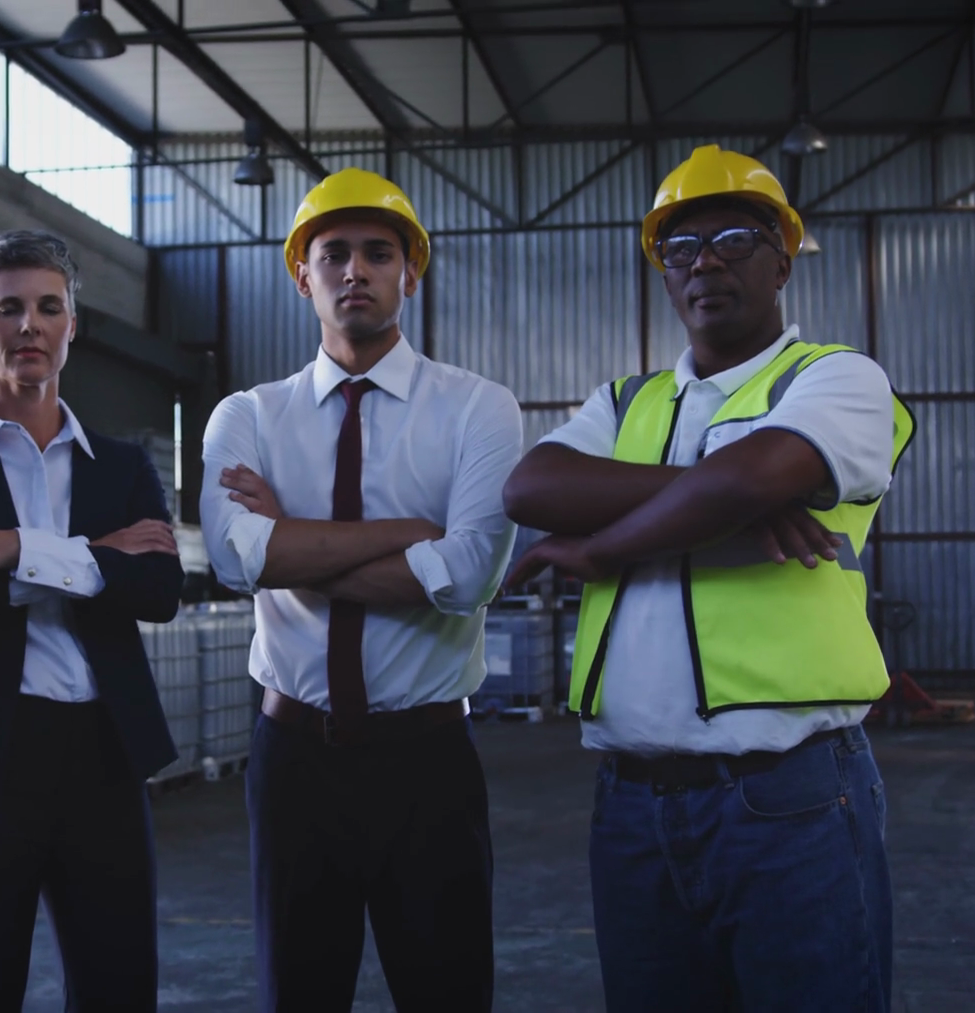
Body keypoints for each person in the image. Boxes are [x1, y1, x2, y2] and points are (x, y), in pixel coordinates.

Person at [503, 145, 915, 1012]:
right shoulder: (625, 403)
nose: (706, 263)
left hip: (789, 799)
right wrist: (730, 499)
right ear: (664, 272)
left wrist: (607, 546)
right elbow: (531, 487)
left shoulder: (836, 378)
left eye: (733, 239)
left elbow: (749, 475)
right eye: (680, 248)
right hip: (631, 804)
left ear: (782, 260)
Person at [200, 168, 522, 1012]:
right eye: (333, 254)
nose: (355, 271)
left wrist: (289, 539)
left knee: (449, 994)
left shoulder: (479, 409)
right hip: (295, 759)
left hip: (429, 763)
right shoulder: (248, 415)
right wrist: (410, 534)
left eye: (379, 253)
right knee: (298, 994)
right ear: (301, 275)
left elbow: (468, 574)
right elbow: (234, 558)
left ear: (410, 273)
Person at [0, 230, 184, 1013]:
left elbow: (158, 588)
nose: (30, 325)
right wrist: (91, 559)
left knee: (120, 993)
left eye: (49, 307)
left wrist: (9, 548)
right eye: (8, 308)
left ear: (71, 325)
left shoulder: (121, 465)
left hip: (103, 763)